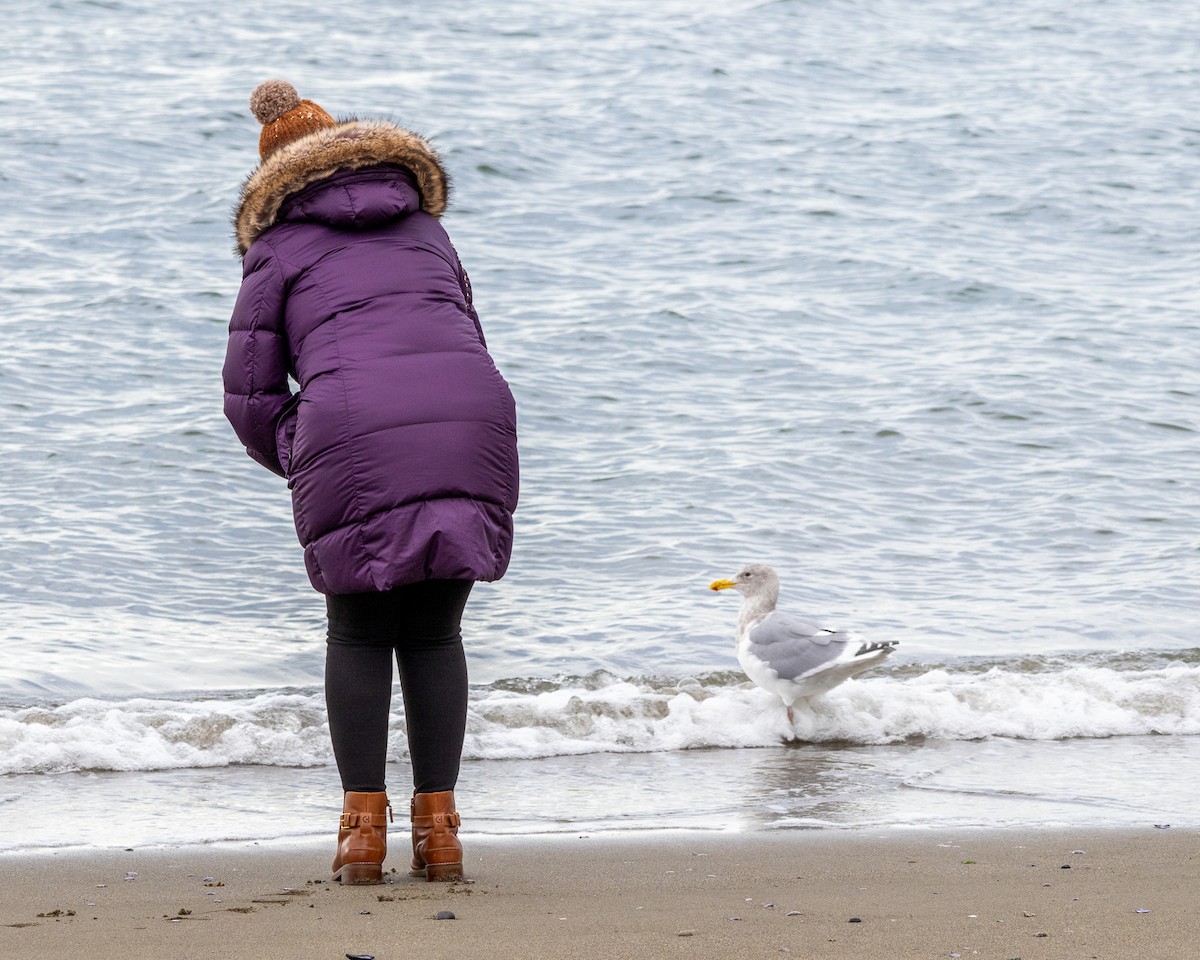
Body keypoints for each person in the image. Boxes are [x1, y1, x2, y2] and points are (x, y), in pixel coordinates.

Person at [223, 80, 519, 884]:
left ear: (274, 179)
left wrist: (306, 453)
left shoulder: (277, 249)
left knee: (357, 631)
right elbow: (464, 331)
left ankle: (361, 838)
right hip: (472, 418)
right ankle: (441, 835)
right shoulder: (426, 231)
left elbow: (249, 396)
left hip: (351, 427)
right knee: (435, 632)